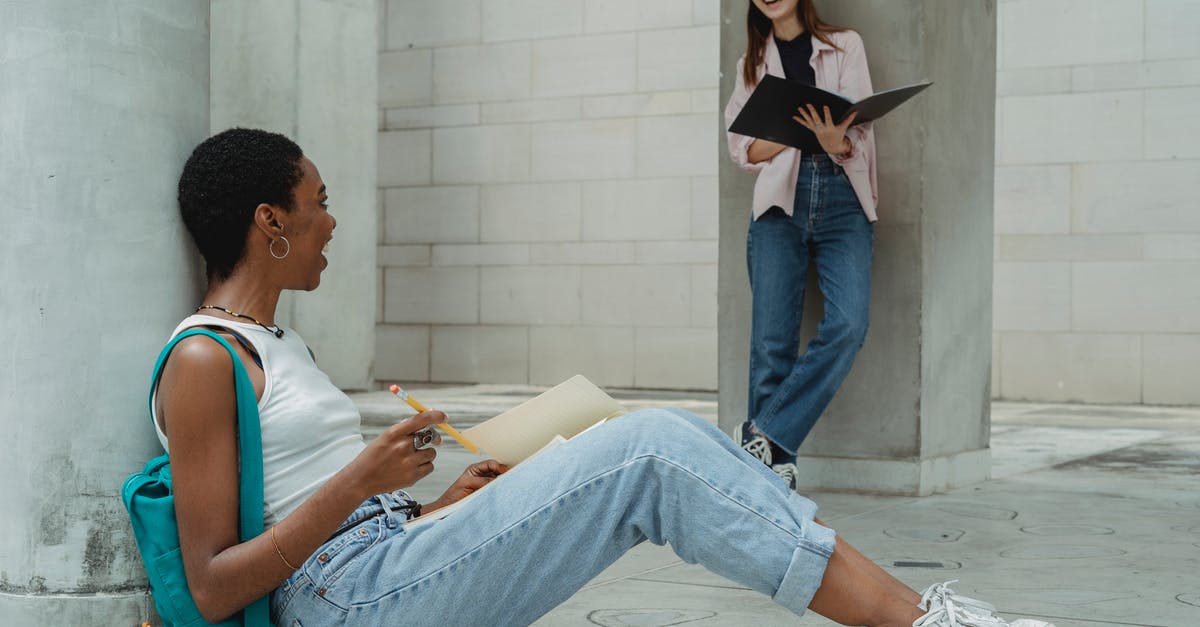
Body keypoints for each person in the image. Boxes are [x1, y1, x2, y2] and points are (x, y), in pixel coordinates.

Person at [152, 127, 1052, 627]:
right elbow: (212, 585)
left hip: (385, 552)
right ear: (270, 222)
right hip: (342, 601)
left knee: (682, 438)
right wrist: (365, 477)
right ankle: (925, 626)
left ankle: (931, 613)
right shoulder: (203, 358)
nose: (331, 222)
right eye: (317, 205)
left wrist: (439, 502)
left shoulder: (277, 343)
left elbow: (315, 506)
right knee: (652, 451)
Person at [724, 0, 879, 487]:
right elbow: (742, 148)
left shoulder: (844, 45)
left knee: (849, 325)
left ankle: (762, 434)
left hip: (842, 199)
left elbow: (859, 129)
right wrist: (802, 133)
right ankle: (773, 471)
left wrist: (834, 141)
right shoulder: (750, 63)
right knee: (772, 346)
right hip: (778, 206)